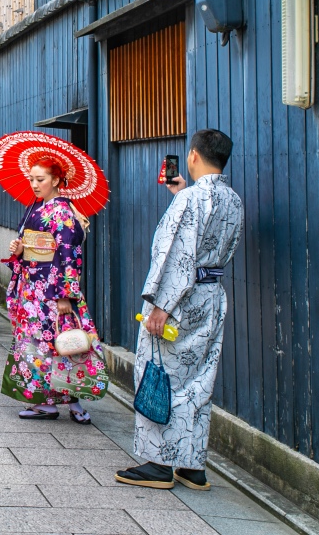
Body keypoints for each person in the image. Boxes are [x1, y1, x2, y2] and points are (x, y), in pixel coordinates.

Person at [116, 130, 243, 492]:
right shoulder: (232, 200)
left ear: (192, 156)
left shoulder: (190, 199)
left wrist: (159, 306)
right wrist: (179, 193)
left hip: (180, 301)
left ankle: (158, 462)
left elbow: (175, 256)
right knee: (199, 379)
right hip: (212, 295)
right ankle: (192, 465)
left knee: (160, 372)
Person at [2, 156, 104, 425]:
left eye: (40, 179)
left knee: (64, 344)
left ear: (56, 180)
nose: (34, 184)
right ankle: (46, 402)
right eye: (32, 179)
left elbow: (69, 255)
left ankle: (74, 400)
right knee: (42, 347)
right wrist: (21, 250)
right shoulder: (38, 208)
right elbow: (36, 249)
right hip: (35, 288)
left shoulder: (62, 213)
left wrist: (64, 295)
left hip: (52, 291)